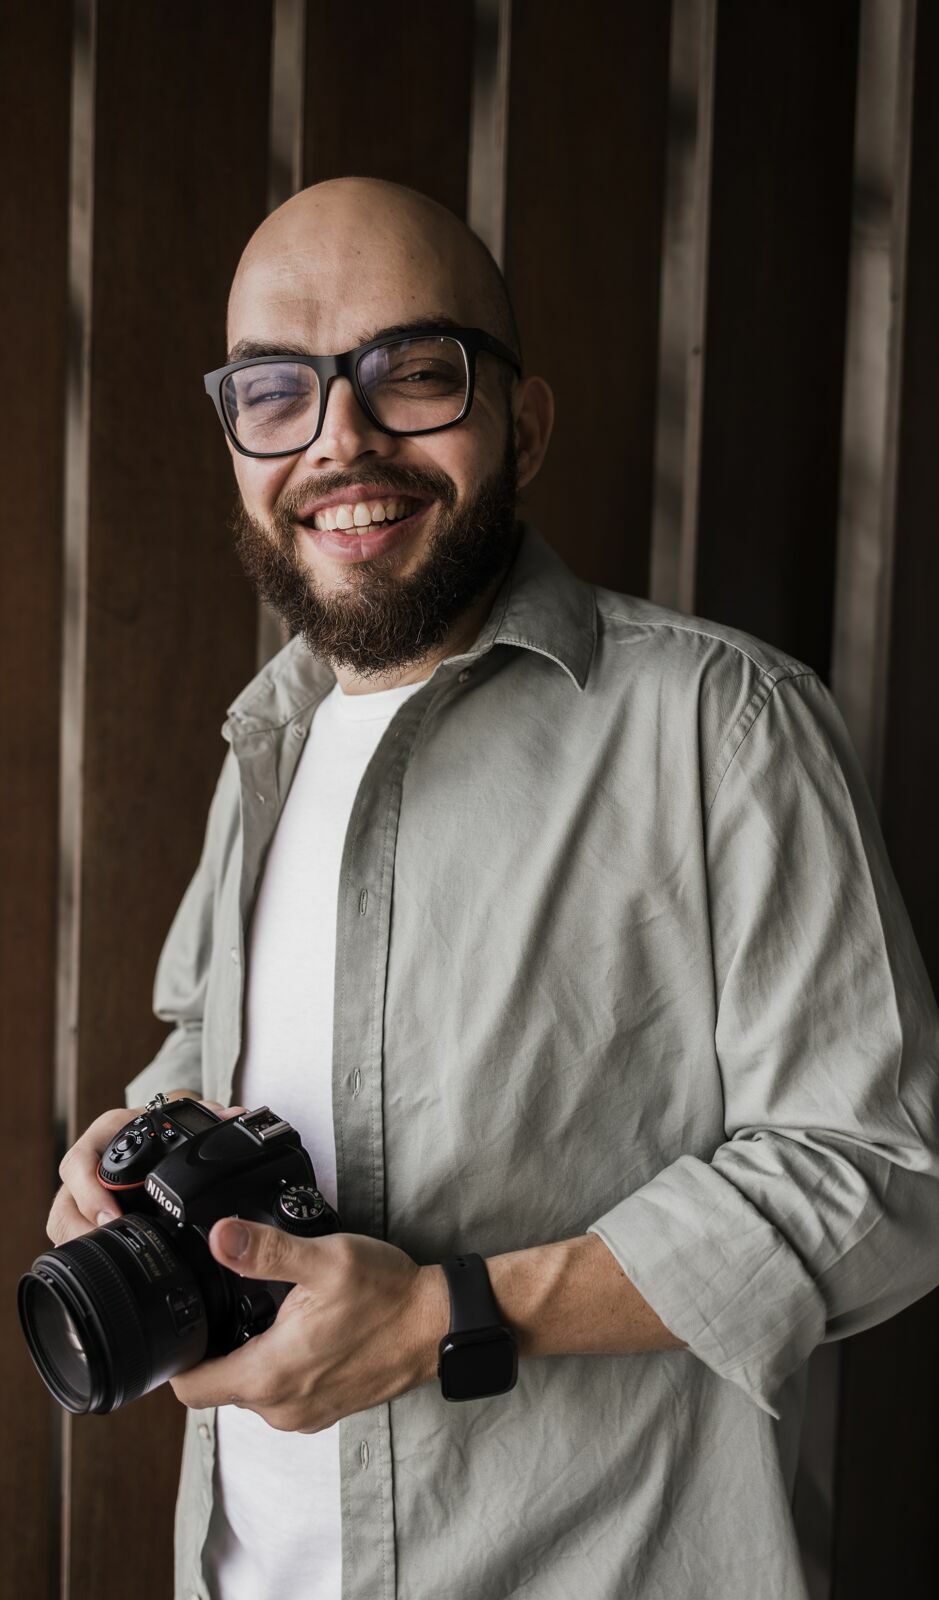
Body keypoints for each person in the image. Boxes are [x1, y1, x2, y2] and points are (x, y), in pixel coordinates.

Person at [48, 176, 939, 1600]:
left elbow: (885, 1176)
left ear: (521, 421)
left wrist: (449, 1312)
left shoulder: (724, 725)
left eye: (411, 374)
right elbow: (206, 1049)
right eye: (275, 392)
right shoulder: (264, 738)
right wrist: (125, 1158)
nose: (341, 440)